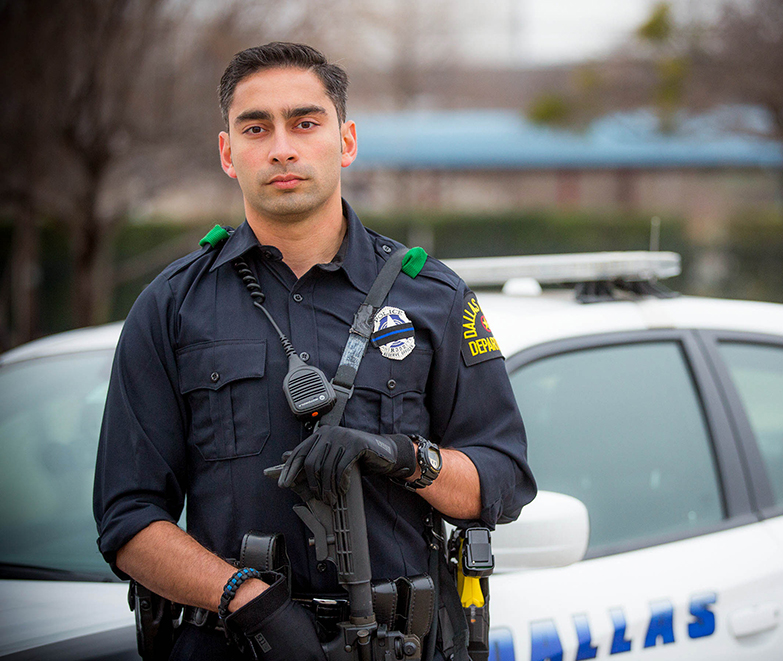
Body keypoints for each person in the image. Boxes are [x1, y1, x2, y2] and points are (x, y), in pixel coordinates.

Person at [93, 42, 536, 661]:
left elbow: (503, 480)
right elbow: (127, 520)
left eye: (305, 122)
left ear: (347, 141)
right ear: (228, 153)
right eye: (256, 127)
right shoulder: (171, 306)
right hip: (233, 646)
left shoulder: (432, 296)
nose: (282, 147)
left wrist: (404, 456)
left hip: (396, 645)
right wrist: (248, 602)